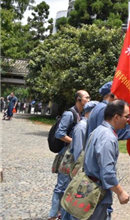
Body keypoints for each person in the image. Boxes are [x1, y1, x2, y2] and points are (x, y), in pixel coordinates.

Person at [83, 100, 130, 220]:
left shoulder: (99, 130)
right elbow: (107, 172)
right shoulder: (108, 137)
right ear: (116, 117)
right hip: (96, 193)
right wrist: (121, 192)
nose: (128, 120)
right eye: (126, 116)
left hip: (89, 188)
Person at [48, 90, 89, 220]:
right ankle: (53, 215)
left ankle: (62, 213)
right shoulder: (69, 114)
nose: (88, 100)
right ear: (78, 99)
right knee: (61, 186)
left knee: (70, 185)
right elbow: (59, 134)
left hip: (74, 154)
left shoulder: (81, 115)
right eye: (86, 98)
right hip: (66, 155)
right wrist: (76, 141)